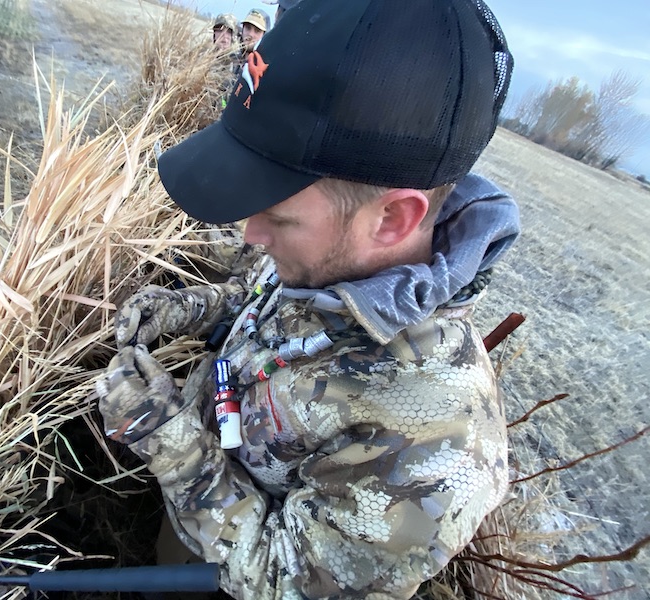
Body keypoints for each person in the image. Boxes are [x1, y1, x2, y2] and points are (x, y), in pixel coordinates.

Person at [96, 1, 519, 598]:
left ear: (394, 218)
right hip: (173, 535)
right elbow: (264, 291)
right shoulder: (329, 246)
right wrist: (186, 307)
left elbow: (285, 580)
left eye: (276, 216)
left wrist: (168, 440)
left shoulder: (434, 443)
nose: (249, 234)